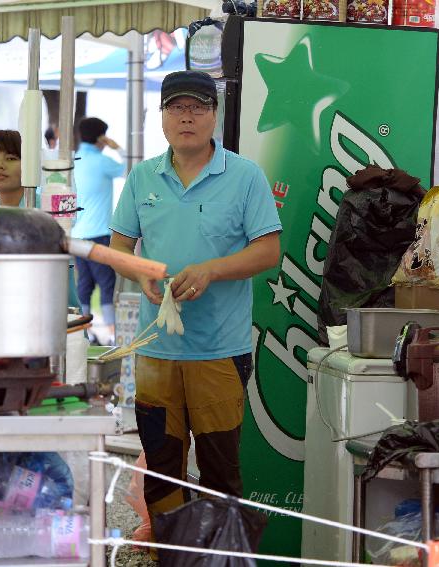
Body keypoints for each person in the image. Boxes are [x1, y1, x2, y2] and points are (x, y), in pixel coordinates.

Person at [108, 71, 282, 529]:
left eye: (198, 107)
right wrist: (140, 272)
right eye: (176, 108)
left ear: (214, 115)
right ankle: (171, 557)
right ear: (162, 116)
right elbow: (119, 247)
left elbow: (268, 250)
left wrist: (211, 270)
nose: (187, 117)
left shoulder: (244, 176)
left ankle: (223, 558)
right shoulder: (143, 176)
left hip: (219, 352)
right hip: (156, 353)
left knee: (220, 471)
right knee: (162, 473)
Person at [72, 117, 126, 343]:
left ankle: (83, 331)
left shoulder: (74, 160)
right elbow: (129, 169)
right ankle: (112, 333)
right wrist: (118, 148)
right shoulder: (103, 162)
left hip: (76, 235)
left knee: (83, 285)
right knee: (106, 283)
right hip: (98, 234)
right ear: (101, 137)